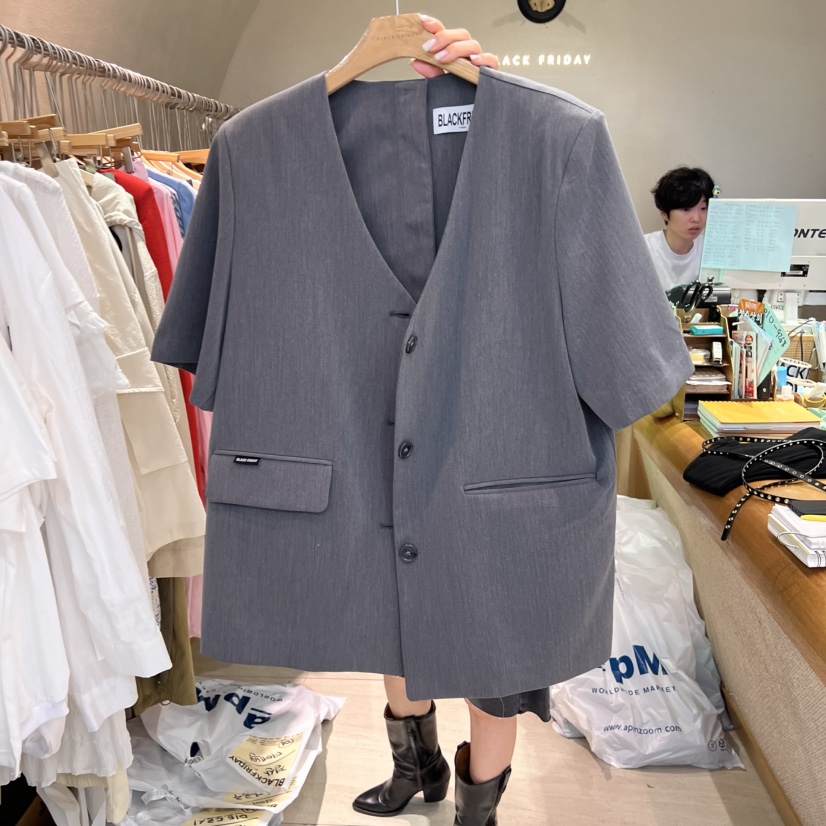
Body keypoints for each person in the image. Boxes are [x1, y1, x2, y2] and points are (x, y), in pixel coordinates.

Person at [349, 18, 523, 825]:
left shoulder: (534, 138)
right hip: (382, 414)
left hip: (502, 427)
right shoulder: (322, 145)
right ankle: (415, 768)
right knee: (394, 610)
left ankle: (477, 810)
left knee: (493, 632)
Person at [645, 166, 716, 291]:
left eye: (703, 208)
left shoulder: (711, 250)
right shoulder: (645, 249)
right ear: (664, 213)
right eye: (686, 209)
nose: (696, 218)